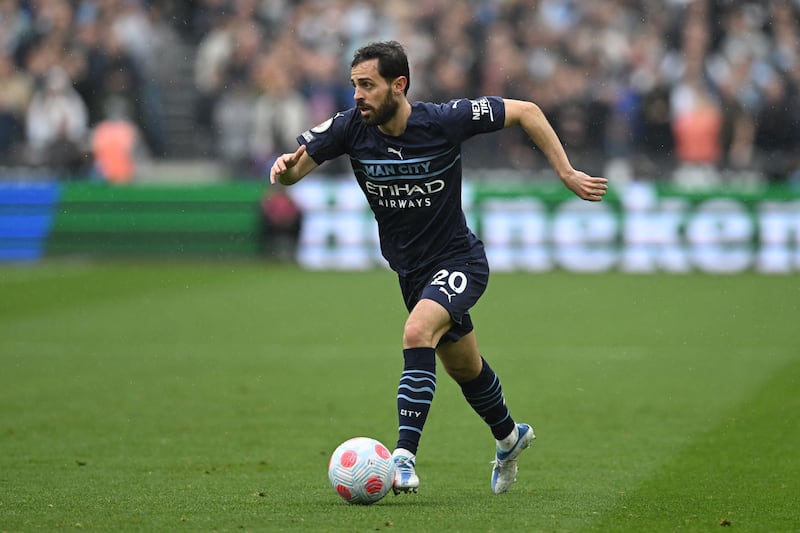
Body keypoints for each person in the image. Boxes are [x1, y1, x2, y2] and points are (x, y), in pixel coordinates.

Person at [269, 41, 608, 495]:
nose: (358, 96)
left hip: (459, 260)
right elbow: (294, 172)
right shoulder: (350, 128)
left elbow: (526, 110)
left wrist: (565, 172)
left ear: (399, 85)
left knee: (416, 333)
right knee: (465, 368)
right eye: (354, 86)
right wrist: (285, 170)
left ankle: (403, 458)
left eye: (367, 85)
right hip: (411, 273)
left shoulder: (444, 120)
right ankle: (510, 438)